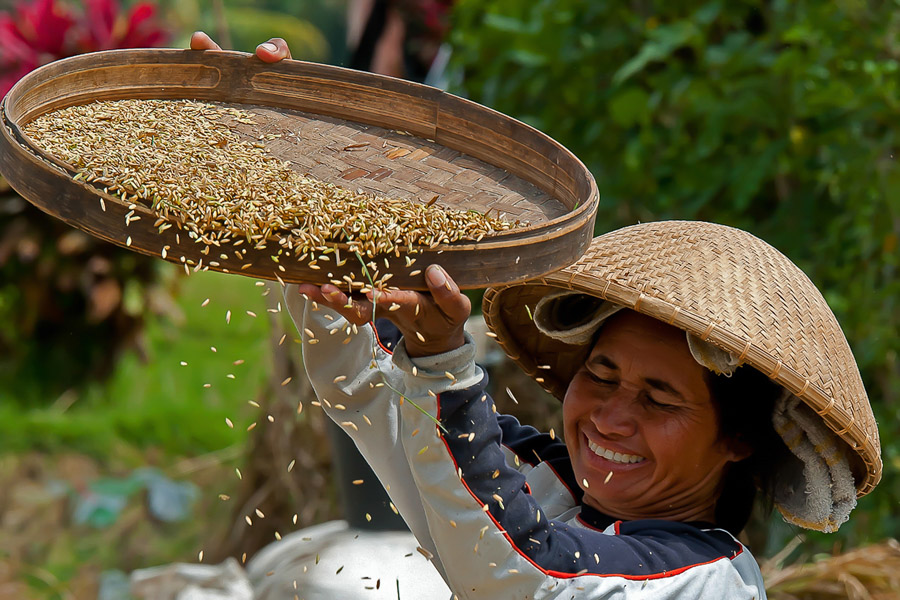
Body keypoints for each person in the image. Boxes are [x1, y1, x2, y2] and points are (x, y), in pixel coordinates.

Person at [191, 36, 882, 599]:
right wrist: (290, 173)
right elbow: (373, 392)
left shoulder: (702, 581)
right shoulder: (550, 487)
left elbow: (525, 573)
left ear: (737, 439)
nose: (611, 417)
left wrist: (442, 364)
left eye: (659, 398)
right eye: (603, 376)